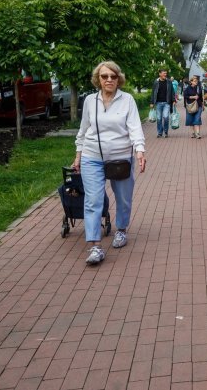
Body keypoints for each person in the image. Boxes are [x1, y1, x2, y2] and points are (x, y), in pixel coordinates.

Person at [73, 61, 146, 265]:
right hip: (92, 156)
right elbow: (83, 129)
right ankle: (95, 246)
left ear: (118, 79)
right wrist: (78, 155)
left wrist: (139, 150)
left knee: (123, 198)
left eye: (113, 77)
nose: (109, 80)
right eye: (104, 76)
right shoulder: (89, 100)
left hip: (120, 157)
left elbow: (135, 127)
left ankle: (121, 230)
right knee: (93, 200)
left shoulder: (127, 100)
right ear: (98, 79)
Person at [150, 68, 176, 138]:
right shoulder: (156, 82)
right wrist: (152, 102)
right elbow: (153, 92)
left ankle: (166, 131)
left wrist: (173, 100)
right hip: (158, 103)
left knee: (166, 117)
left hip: (166, 102)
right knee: (159, 118)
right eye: (164, 73)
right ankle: (159, 132)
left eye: (166, 73)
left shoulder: (169, 82)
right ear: (160, 74)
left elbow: (172, 91)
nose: (165, 74)